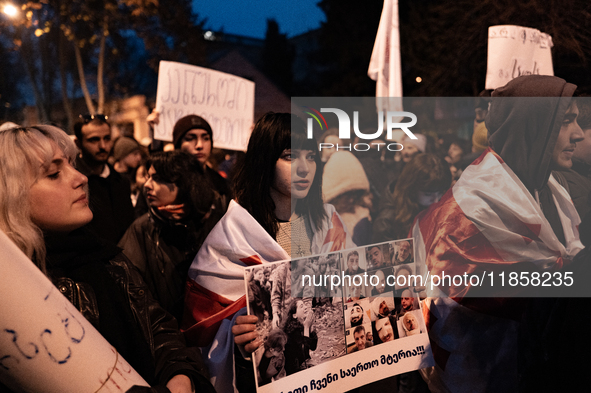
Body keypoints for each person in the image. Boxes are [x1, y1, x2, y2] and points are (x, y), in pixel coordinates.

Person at [0, 125, 214, 393]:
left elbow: (158, 328)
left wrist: (180, 374)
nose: (81, 178)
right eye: (54, 174)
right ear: (11, 196)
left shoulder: (109, 258)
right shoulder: (13, 295)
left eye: (71, 165)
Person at [413, 75, 584, 393]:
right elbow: (452, 308)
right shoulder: (469, 212)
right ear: (534, 126)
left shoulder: (551, 188)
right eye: (566, 122)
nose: (577, 134)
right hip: (481, 377)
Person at [182, 112, 353, 393]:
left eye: (311, 156)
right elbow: (202, 327)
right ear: (263, 161)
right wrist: (236, 332)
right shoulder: (232, 236)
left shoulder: (328, 223)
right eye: (289, 156)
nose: (304, 168)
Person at [118, 151, 223, 322]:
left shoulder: (215, 221)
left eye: (158, 178)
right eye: (148, 177)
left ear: (184, 183)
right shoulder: (142, 228)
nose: (147, 185)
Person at [74, 114, 135, 243]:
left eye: (107, 138)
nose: (103, 146)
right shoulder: (74, 183)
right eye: (94, 140)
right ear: (78, 143)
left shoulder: (121, 181)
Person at [373, 153, 451, 243]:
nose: (436, 200)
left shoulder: (432, 207)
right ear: (412, 189)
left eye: (440, 193)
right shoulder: (386, 221)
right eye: (428, 194)